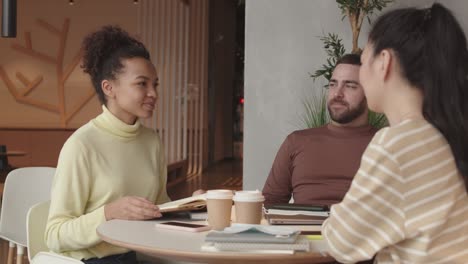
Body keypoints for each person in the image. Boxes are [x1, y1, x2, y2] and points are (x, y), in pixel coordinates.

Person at [323, 3, 468, 263]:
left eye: (364, 60)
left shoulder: (398, 144)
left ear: (384, 62)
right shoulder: (441, 135)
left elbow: (340, 242)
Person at [45, 25, 170, 263]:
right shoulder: (82, 145)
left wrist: (194, 206)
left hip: (140, 254)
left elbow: (160, 206)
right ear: (109, 88)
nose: (153, 93)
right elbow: (55, 234)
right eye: (142, 84)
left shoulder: (151, 141)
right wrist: (108, 213)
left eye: (155, 84)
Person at [262, 54, 378, 206]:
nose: (337, 94)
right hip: (302, 229)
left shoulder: (385, 144)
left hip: (359, 229)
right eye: (333, 84)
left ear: (370, 92)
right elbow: (270, 204)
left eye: (350, 86)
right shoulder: (297, 141)